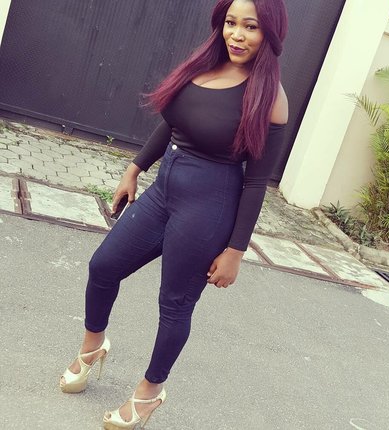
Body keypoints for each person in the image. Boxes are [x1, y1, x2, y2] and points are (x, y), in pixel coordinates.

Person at [60, 0, 288, 428]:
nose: (237, 35)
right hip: (162, 194)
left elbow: (257, 182)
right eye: (231, 23)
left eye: (251, 27)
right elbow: (172, 122)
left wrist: (236, 251)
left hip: (208, 209)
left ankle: (149, 393)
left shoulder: (270, 97)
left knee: (175, 305)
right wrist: (134, 169)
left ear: (270, 34)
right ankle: (93, 347)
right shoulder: (203, 67)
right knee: (103, 266)